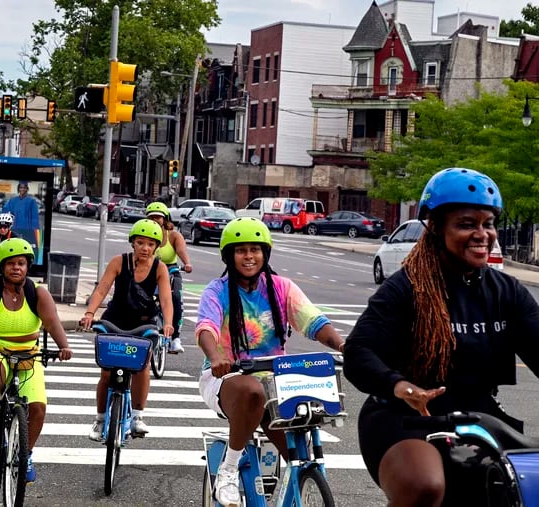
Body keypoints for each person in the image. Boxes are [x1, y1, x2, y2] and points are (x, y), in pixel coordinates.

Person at [343, 167, 539, 507]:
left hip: (479, 419)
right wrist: (401, 386)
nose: (482, 234)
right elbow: (359, 352)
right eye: (466, 224)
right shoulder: (406, 288)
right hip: (403, 418)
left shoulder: (506, 292)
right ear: (434, 227)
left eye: (488, 223)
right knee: (426, 486)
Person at [195, 217, 344, 507]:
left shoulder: (281, 287)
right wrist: (216, 356)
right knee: (252, 392)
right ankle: (228, 470)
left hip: (275, 380)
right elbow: (205, 329)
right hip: (226, 378)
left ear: (266, 253)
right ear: (229, 255)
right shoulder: (217, 291)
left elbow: (314, 322)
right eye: (241, 250)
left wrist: (343, 345)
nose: (249, 256)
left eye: (255, 249)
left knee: (299, 449)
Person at [0, 237, 73, 484]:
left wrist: (63, 346)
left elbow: (52, 321)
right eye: (10, 263)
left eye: (21, 263)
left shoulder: (38, 293)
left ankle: (26, 455)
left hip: (28, 356)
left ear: (28, 266)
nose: (16, 268)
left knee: (37, 408)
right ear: (1, 266)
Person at [80, 219, 174, 439]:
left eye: (150, 244)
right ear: (133, 243)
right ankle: (100, 419)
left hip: (143, 322)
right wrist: (89, 314)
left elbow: (166, 299)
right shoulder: (119, 262)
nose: (145, 248)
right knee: (106, 372)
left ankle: (137, 416)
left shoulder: (160, 268)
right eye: (140, 243)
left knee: (143, 367)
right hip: (114, 319)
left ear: (157, 246)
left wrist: (168, 323)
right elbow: (103, 288)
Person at [145, 201, 192, 353]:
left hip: (171, 270)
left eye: (158, 217)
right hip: (149, 270)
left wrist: (187, 263)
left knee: (176, 299)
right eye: (151, 217)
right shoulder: (144, 234)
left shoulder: (173, 235)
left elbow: (181, 250)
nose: (155, 220)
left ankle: (175, 338)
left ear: (165, 219)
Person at [1, 181, 40, 261]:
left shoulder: (31, 201)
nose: (22, 189)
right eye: (21, 187)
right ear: (18, 189)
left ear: (27, 189)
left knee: (27, 248)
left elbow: (35, 217)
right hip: (15, 228)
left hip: (28, 229)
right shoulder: (13, 200)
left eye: (24, 187)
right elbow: (4, 210)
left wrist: (35, 229)